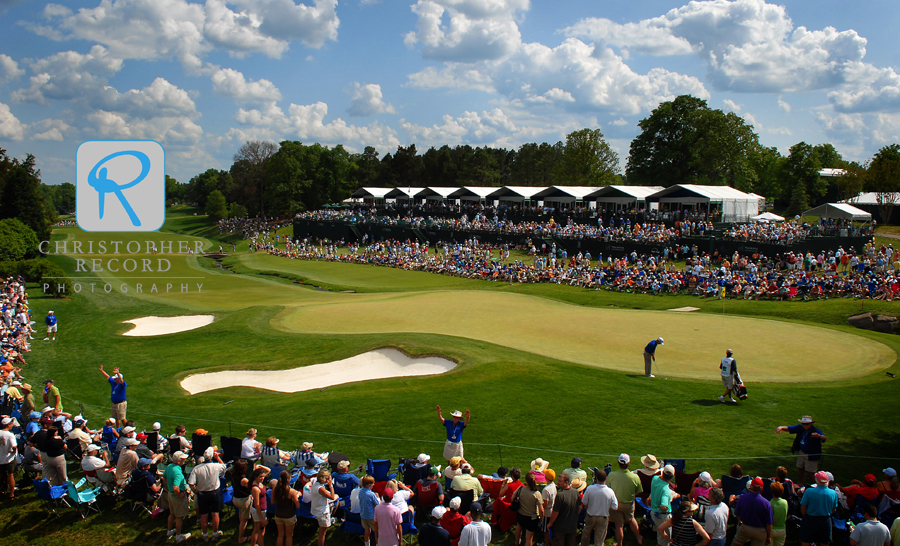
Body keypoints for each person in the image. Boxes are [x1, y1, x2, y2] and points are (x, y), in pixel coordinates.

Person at [188, 447, 227, 542]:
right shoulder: (216, 466)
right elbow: (224, 466)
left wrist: (195, 490)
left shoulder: (196, 469)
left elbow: (191, 483)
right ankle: (215, 533)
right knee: (215, 514)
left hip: (202, 494)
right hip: (214, 493)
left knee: (204, 515)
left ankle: (205, 534)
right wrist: (217, 458)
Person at [775, 415, 826, 486]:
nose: (805, 425)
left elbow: (824, 438)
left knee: (811, 473)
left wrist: (819, 436)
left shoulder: (815, 430)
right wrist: (781, 427)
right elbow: (790, 428)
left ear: (811, 424)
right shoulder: (800, 428)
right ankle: (800, 484)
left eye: (807, 424)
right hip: (802, 452)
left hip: (811, 454)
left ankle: (816, 486)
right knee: (800, 468)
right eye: (803, 424)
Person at [607, 453, 643, 546]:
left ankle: (620, 543)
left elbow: (608, 489)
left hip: (615, 504)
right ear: (629, 463)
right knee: (631, 519)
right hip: (628, 504)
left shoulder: (611, 475)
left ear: (618, 463)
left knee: (619, 525)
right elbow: (639, 491)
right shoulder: (635, 477)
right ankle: (638, 537)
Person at [732, 477, 773, 546]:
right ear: (762, 488)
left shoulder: (742, 498)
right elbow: (769, 523)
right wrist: (768, 536)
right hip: (760, 531)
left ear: (750, 486)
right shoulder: (766, 503)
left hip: (745, 528)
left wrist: (741, 522)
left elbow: (737, 513)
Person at [582, 469, 618, 546]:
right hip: (603, 517)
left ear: (596, 478)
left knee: (585, 536)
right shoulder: (610, 491)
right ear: (606, 478)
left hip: (590, 516)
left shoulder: (590, 488)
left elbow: (584, 502)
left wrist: (587, 510)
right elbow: (615, 507)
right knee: (599, 540)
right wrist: (606, 507)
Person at [163, 451, 192, 543]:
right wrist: (179, 495)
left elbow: (164, 478)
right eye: (183, 459)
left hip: (170, 494)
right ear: (178, 460)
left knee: (172, 514)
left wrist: (168, 488)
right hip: (177, 496)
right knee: (179, 517)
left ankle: (169, 531)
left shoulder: (169, 467)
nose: (185, 460)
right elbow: (176, 487)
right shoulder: (178, 472)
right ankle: (178, 536)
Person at [650, 465, 679, 546]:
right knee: (663, 542)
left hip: (654, 512)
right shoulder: (666, 490)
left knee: (660, 536)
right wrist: (667, 505)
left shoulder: (655, 479)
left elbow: (659, 477)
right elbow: (663, 507)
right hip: (663, 516)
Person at [549, 472, 580, 546]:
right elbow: (580, 507)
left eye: (560, 481)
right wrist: (573, 516)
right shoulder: (575, 492)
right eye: (558, 481)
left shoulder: (560, 495)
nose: (558, 483)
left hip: (560, 529)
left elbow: (555, 512)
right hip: (572, 527)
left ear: (566, 482)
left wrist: (550, 523)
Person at [515, 471, 544, 546]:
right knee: (529, 538)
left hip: (520, 514)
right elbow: (541, 509)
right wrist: (541, 519)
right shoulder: (537, 494)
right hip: (531, 518)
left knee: (519, 526)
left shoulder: (521, 489)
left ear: (526, 481)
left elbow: (512, 498)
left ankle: (517, 542)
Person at [311, 468, 338, 546]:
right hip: (322, 512)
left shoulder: (315, 482)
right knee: (322, 533)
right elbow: (332, 497)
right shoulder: (320, 488)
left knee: (321, 532)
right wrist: (331, 486)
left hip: (316, 508)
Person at [273, 470, 301, 546]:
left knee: (280, 535)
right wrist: (297, 496)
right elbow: (297, 505)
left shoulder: (275, 489)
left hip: (278, 514)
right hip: (289, 515)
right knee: (289, 535)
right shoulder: (291, 491)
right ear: (288, 479)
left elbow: (272, 501)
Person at [230, 459, 253, 544]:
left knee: (241, 515)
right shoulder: (244, 480)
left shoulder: (233, 476)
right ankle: (241, 538)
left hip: (235, 498)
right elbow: (251, 487)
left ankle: (240, 529)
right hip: (243, 500)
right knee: (244, 520)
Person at [248, 466, 269, 546]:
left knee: (257, 529)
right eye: (260, 477)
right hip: (259, 511)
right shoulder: (255, 489)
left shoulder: (258, 483)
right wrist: (262, 518)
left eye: (263, 476)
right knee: (259, 531)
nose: (262, 478)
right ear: (255, 477)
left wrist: (260, 467)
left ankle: (253, 544)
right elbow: (257, 505)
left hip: (262, 509)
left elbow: (268, 470)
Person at [359, 475, 380, 546]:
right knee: (377, 532)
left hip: (363, 515)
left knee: (367, 531)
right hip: (371, 516)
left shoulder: (360, 491)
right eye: (372, 483)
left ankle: (367, 544)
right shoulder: (371, 494)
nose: (373, 484)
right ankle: (378, 544)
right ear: (367, 485)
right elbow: (377, 504)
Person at [0, 416, 17, 499]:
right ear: (8, 425)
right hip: (8, 458)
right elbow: (14, 446)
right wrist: (13, 452)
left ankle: (1, 489)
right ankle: (11, 494)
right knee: (10, 475)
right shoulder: (10, 435)